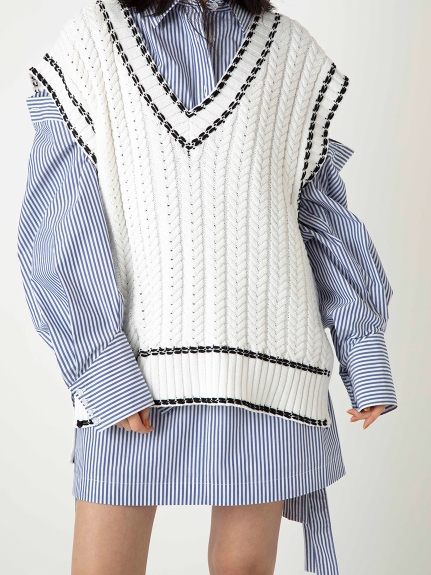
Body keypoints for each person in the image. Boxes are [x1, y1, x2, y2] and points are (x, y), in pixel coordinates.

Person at [17, 0, 398, 573]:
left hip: (268, 370)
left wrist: (362, 353)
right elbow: (56, 228)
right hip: (134, 372)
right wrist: (101, 365)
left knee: (244, 567)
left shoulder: (291, 53)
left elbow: (321, 220)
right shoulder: (90, 46)